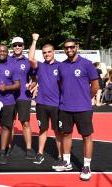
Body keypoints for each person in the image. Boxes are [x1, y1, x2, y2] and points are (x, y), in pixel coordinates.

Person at [0, 23, 36, 159]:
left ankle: (29, 149)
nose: (17, 47)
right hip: (9, 97)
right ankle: (6, 148)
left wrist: (34, 84)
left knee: (25, 123)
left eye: (20, 45)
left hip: (23, 96)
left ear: (23, 46)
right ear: (11, 47)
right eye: (15, 45)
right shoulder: (6, 58)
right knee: (9, 124)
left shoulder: (27, 61)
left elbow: (34, 77)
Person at [52, 39, 99, 181]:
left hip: (83, 108)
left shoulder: (87, 64)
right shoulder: (61, 66)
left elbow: (95, 86)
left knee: (87, 137)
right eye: (66, 47)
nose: (69, 49)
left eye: (72, 47)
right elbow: (61, 84)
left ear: (77, 47)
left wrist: (85, 98)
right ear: (64, 49)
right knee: (66, 134)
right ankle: (66, 162)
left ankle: (86, 166)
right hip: (65, 107)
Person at [28, 33, 62, 165]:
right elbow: (30, 57)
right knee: (42, 129)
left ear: (53, 52)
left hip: (56, 104)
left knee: (58, 131)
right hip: (41, 103)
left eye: (49, 52)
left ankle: (60, 156)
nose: (47, 54)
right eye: (44, 53)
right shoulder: (40, 66)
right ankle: (40, 153)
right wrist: (34, 40)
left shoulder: (61, 66)